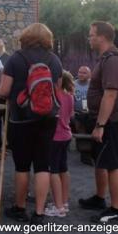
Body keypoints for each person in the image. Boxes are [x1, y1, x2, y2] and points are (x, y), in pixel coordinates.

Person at [0, 23, 62, 225]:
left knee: (22, 166)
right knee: (43, 165)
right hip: (48, 119)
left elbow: (3, 91)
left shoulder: (16, 58)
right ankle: (40, 213)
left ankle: (20, 208)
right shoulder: (54, 59)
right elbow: (57, 90)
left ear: (26, 37)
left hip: (21, 119)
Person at [79, 21, 118, 224]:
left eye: (91, 35)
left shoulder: (113, 61)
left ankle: (115, 210)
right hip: (103, 120)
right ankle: (100, 199)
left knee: (113, 164)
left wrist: (100, 125)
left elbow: (110, 95)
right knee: (101, 161)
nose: (89, 38)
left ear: (102, 37)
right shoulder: (105, 58)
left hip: (112, 121)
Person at [45, 71, 74, 217]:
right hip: (66, 135)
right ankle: (64, 201)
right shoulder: (69, 96)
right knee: (64, 169)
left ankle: (58, 207)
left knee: (53, 171)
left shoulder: (53, 97)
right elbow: (71, 115)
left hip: (55, 137)